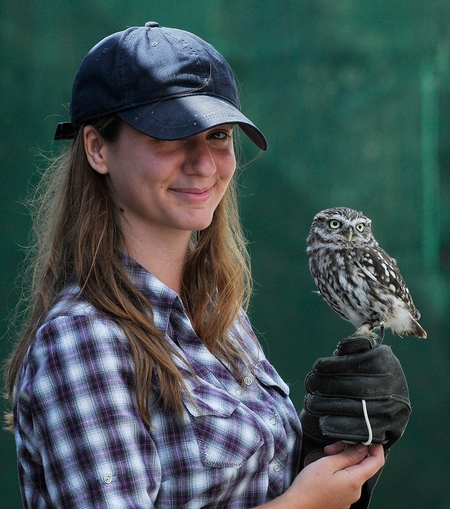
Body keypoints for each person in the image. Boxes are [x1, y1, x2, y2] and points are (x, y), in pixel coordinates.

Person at [5, 22, 410, 509]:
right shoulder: (82, 341)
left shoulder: (216, 309)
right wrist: (304, 504)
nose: (203, 162)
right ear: (97, 148)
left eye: (218, 135)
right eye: (170, 136)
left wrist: (330, 458)